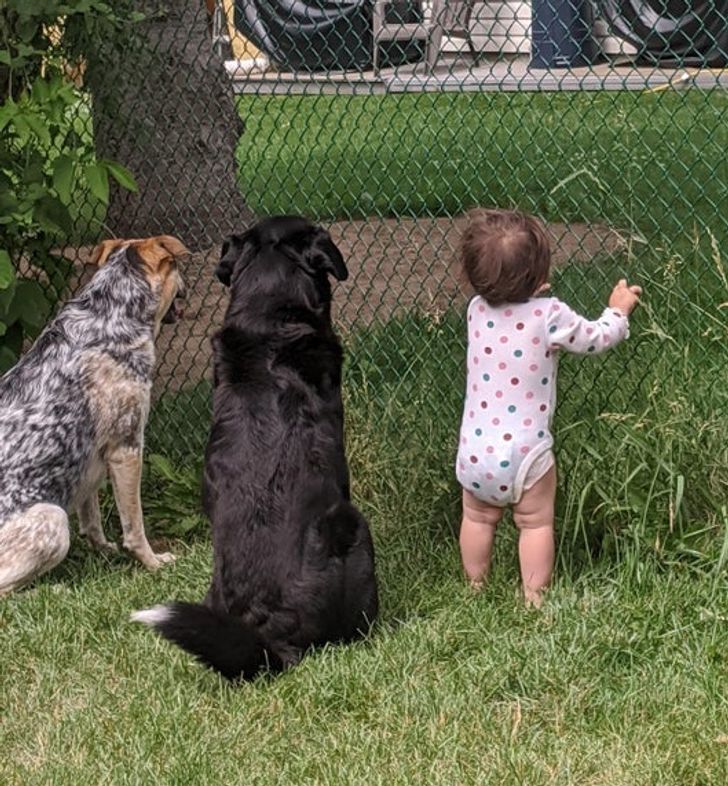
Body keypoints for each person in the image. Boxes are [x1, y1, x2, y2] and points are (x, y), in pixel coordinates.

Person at [455, 209, 642, 606]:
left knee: (477, 518)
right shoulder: (548, 315)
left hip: (475, 451)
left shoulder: (475, 311)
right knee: (535, 523)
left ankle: (474, 587)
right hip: (526, 452)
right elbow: (597, 338)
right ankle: (534, 598)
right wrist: (618, 312)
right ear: (541, 276)